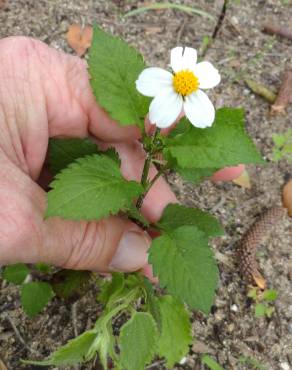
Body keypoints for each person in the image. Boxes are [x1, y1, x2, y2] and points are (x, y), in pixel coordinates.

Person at [0, 37, 244, 275]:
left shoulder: (196, 101)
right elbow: (144, 97)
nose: (187, 80)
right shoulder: (164, 87)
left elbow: (200, 120)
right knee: (119, 181)